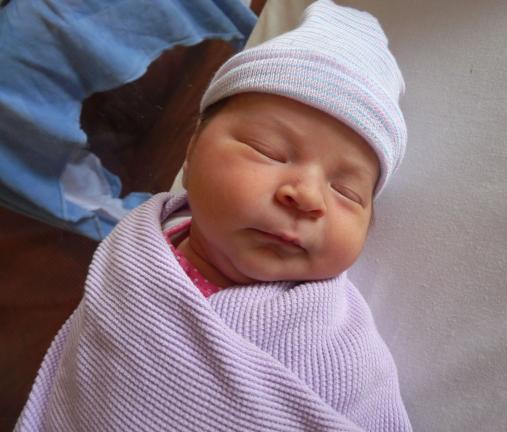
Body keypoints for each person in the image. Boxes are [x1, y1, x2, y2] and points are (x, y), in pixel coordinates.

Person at [15, 1, 412, 430]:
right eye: (268, 151)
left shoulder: (337, 341)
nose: (308, 196)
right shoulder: (136, 248)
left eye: (346, 191)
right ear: (191, 154)